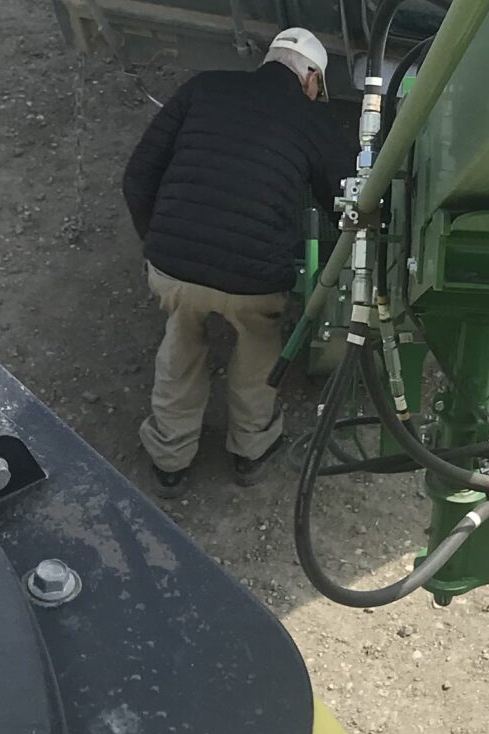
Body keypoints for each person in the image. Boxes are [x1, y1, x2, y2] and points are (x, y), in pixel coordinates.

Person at [122, 26, 344, 490]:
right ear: (311, 79)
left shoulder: (204, 87)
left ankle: (170, 459)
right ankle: (250, 449)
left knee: (180, 344)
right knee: (258, 350)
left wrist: (159, 242)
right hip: (253, 280)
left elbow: (138, 175)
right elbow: (345, 200)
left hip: (174, 265)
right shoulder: (311, 118)